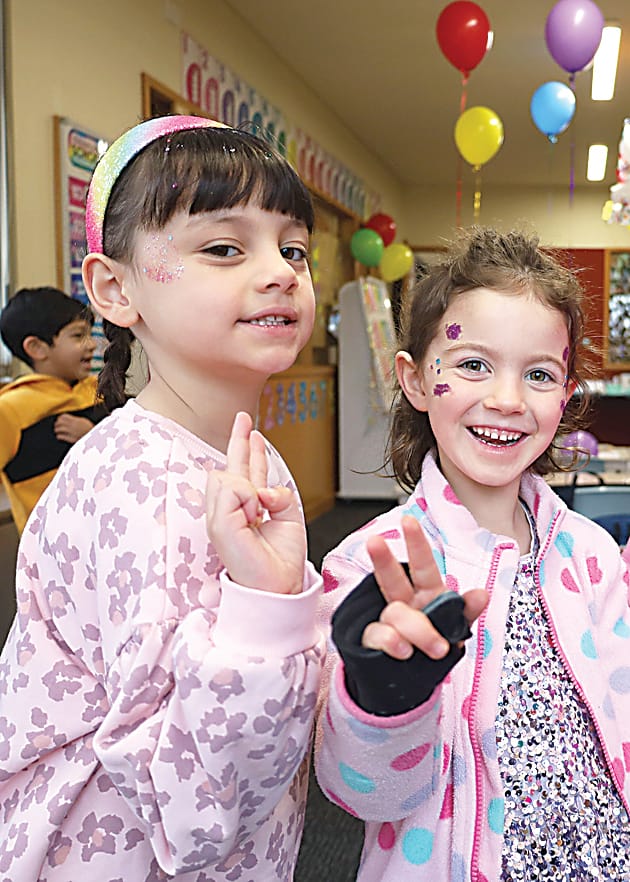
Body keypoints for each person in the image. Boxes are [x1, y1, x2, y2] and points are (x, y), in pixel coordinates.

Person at [0, 115, 325, 880]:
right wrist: (274, 614)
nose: (280, 270)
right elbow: (186, 804)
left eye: (294, 248)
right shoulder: (138, 487)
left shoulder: (245, 451)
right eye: (223, 247)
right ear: (116, 288)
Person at [314, 228, 630, 881]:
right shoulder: (370, 566)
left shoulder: (591, 553)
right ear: (417, 380)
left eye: (538, 374)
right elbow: (363, 795)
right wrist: (387, 696)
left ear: (566, 397)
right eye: (472, 364)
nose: (507, 400)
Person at [0, 286, 106, 533]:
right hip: (53, 546)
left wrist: (92, 439)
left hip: (108, 531)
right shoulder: (11, 409)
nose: (91, 345)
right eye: (78, 336)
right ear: (37, 348)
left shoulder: (101, 390)